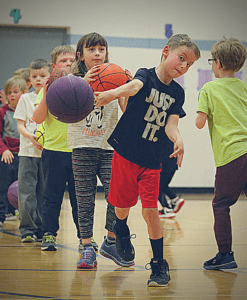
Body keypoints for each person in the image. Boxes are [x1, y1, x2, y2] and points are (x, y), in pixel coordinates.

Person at [95, 34, 200, 286]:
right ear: (166, 51)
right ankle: (120, 229)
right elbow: (133, 87)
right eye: (181, 58)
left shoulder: (178, 93)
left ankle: (159, 265)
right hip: (126, 151)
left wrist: (179, 139)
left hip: (152, 158)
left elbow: (170, 125)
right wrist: (111, 94)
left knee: (151, 211)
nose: (183, 66)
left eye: (189, 64)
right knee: (123, 206)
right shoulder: (146, 75)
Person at [67, 32, 132, 269]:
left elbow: (127, 111)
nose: (97, 54)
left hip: (109, 146)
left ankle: (110, 241)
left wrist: (126, 88)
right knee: (84, 199)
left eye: (101, 49)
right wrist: (83, 83)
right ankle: (86, 247)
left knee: (118, 196)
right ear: (80, 54)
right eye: (92, 49)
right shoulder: (71, 79)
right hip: (82, 145)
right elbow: (64, 108)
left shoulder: (114, 76)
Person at [195, 37, 247, 270]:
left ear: (217, 63)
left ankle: (225, 255)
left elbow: (199, 122)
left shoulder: (209, 88)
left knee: (221, 204)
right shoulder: (244, 87)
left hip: (232, 154)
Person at [32, 45, 82, 251]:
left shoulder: (82, 86)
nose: (68, 64)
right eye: (63, 61)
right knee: (51, 197)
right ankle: (49, 234)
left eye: (72, 61)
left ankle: (85, 238)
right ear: (54, 66)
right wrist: (47, 92)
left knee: (80, 200)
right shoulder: (47, 89)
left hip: (79, 150)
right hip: (54, 151)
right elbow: (37, 118)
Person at [14, 59, 52, 242]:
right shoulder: (25, 98)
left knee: (44, 193)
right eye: (35, 76)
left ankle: (43, 230)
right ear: (29, 79)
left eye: (43, 76)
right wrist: (30, 136)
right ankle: (27, 230)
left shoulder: (53, 98)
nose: (38, 79)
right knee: (26, 193)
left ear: (49, 77)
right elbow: (20, 125)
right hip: (27, 153)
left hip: (47, 153)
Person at [0, 77, 27, 230]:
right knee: (3, 186)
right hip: (7, 155)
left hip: (23, 155)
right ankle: (1, 215)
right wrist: (4, 150)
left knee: (22, 187)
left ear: (24, 93)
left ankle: (20, 214)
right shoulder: (2, 112)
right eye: (9, 92)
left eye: (15, 92)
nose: (11, 95)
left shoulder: (29, 111)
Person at [158, 137, 185, 218]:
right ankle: (174, 199)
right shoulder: (170, 137)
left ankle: (167, 209)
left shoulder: (161, 138)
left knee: (158, 187)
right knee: (163, 185)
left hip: (165, 165)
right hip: (173, 164)